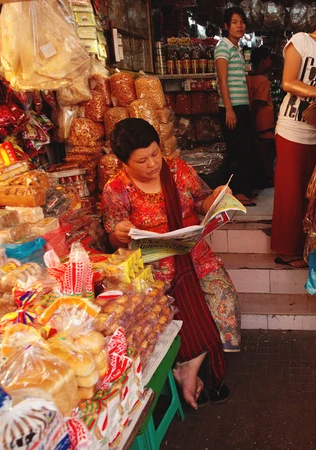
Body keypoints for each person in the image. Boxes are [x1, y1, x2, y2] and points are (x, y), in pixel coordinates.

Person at [101, 118, 241, 409]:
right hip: (154, 271)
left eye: (155, 154)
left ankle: (190, 368)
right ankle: (189, 370)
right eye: (142, 160)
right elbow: (114, 241)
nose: (153, 164)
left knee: (223, 301)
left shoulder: (178, 169)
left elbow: (202, 201)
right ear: (124, 162)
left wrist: (216, 198)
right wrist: (119, 233)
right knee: (164, 319)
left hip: (194, 256)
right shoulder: (117, 189)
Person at [271, 0, 316, 268]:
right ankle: (287, 251)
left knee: (311, 194)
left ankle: (306, 248)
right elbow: (288, 82)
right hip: (291, 128)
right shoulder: (301, 41)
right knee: (290, 192)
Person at [215, 7, 264, 206]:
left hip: (240, 106)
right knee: (236, 150)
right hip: (231, 107)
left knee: (245, 148)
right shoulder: (223, 47)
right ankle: (237, 192)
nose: (239, 26)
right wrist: (229, 109)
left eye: (242, 22)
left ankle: (243, 188)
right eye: (234, 22)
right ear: (226, 26)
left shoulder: (237, 48)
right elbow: (222, 80)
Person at [247, 46, 276, 187]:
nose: (271, 62)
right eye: (269, 59)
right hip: (264, 122)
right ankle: (268, 177)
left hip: (257, 120)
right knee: (267, 151)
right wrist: (252, 121)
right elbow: (259, 102)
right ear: (263, 61)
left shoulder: (248, 78)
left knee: (261, 150)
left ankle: (264, 176)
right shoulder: (263, 80)